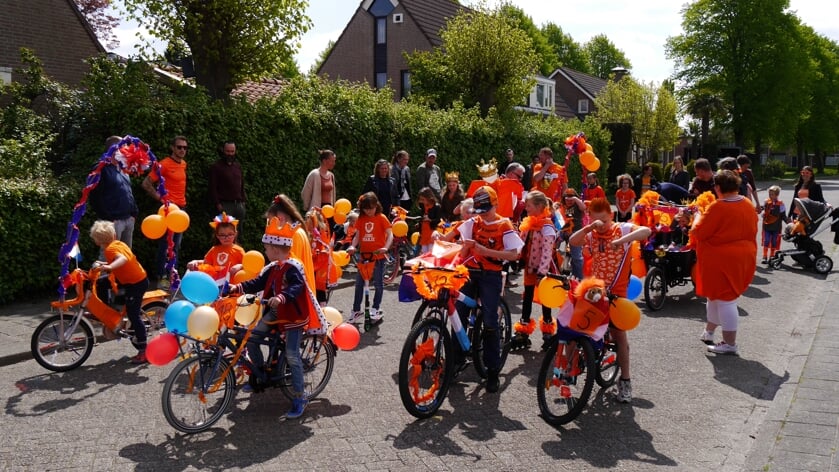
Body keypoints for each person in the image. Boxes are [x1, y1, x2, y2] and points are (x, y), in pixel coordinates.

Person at [569, 197, 652, 403]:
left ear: (611, 216)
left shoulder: (621, 229)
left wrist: (621, 242)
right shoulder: (591, 234)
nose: (601, 225)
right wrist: (589, 227)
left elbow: (646, 231)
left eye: (604, 220)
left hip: (617, 292)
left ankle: (625, 381)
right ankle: (568, 372)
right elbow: (572, 241)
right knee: (576, 327)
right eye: (597, 221)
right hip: (595, 290)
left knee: (619, 335)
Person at [230, 219, 310, 418]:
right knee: (253, 338)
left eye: (266, 248)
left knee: (292, 354)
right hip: (276, 312)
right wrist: (237, 287)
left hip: (292, 314)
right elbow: (258, 282)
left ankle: (300, 396)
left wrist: (282, 297)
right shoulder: (274, 267)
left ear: (275, 249)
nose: (265, 251)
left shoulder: (293, 267)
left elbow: (296, 287)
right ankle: (259, 374)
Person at [452, 186, 524, 393]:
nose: (482, 214)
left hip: (490, 275)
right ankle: (456, 361)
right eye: (479, 210)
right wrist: (441, 242)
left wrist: (486, 251)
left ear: (495, 205)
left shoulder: (504, 224)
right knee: (458, 315)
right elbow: (454, 238)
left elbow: (513, 255)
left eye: (486, 210)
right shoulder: (474, 222)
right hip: (469, 271)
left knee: (490, 320)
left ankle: (492, 370)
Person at [693, 170, 758, 355]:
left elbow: (700, 232)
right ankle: (709, 331)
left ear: (718, 187)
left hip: (721, 260)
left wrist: (697, 216)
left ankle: (730, 344)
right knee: (715, 296)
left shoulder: (718, 207)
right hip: (744, 256)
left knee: (725, 300)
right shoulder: (746, 203)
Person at [89, 220, 150, 364]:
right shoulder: (118, 243)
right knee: (103, 284)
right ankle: (113, 317)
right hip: (136, 279)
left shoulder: (110, 249)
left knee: (133, 315)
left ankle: (144, 350)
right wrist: (104, 264)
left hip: (136, 284)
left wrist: (109, 268)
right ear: (114, 234)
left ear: (97, 241)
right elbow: (121, 258)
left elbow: (121, 259)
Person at [266, 194, 327, 335]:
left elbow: (290, 265)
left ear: (280, 218)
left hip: (291, 296)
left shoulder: (294, 235)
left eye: (271, 221)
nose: (270, 225)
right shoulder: (297, 232)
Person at [512, 191, 557, 350]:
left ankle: (547, 333)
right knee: (527, 298)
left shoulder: (547, 226)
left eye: (529, 205)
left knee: (546, 301)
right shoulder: (529, 222)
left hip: (543, 271)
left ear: (539, 207)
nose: (526, 207)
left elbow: (547, 251)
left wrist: (542, 273)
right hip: (530, 268)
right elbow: (521, 242)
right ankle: (523, 331)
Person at [142, 135, 188, 288]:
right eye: (179, 147)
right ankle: (162, 277)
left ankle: (171, 276)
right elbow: (146, 183)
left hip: (180, 211)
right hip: (169, 210)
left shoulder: (183, 164)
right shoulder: (164, 164)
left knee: (176, 245)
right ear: (172, 148)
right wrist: (161, 199)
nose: (182, 150)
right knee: (165, 245)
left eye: (185, 147)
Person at [346, 192, 393, 325]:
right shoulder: (361, 219)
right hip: (364, 256)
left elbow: (390, 234)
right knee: (359, 284)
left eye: (371, 208)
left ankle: (375, 308)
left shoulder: (381, 218)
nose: (369, 211)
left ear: (376, 205)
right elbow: (357, 235)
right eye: (366, 209)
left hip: (378, 257)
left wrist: (386, 247)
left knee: (378, 284)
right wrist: (352, 246)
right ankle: (356, 310)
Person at [89, 136, 138, 248]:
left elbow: (127, 191)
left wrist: (134, 213)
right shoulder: (100, 169)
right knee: (108, 258)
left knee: (126, 257)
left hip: (128, 220)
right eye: (124, 148)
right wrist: (109, 218)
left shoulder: (122, 168)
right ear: (115, 149)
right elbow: (95, 197)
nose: (126, 151)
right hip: (112, 223)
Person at [186, 213, 245, 282]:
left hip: (232, 288)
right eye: (222, 235)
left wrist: (240, 266)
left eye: (230, 234)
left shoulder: (239, 250)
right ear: (217, 235)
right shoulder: (214, 249)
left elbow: (248, 266)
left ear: (235, 234)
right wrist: (195, 262)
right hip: (216, 286)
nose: (226, 238)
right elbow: (206, 263)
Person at [208, 141, 246, 225]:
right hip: (224, 205)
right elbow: (212, 187)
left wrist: (243, 201)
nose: (230, 154)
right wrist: (217, 204)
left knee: (239, 232)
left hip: (238, 205)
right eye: (227, 151)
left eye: (232, 151)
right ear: (223, 151)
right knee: (224, 231)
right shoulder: (216, 167)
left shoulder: (238, 166)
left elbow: (242, 184)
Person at [304, 209, 334, 305]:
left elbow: (325, 247)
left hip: (320, 264)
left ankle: (322, 310)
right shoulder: (307, 233)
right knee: (310, 288)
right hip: (310, 263)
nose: (307, 222)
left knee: (319, 288)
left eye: (310, 220)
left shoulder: (321, 233)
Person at [556, 188, 586, 279]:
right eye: (566, 198)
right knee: (557, 252)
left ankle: (579, 277)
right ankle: (560, 273)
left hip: (576, 232)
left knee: (576, 256)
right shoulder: (561, 206)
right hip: (563, 232)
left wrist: (576, 199)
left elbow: (584, 207)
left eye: (571, 199)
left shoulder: (577, 206)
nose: (569, 201)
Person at [760, 185, 789, 263]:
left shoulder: (780, 204)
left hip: (776, 226)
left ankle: (772, 255)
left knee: (774, 241)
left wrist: (788, 222)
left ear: (777, 195)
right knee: (766, 240)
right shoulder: (766, 202)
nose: (770, 196)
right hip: (767, 225)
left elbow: (783, 215)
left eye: (772, 194)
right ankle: (765, 256)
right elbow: (763, 211)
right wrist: (763, 212)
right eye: (770, 194)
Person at [416, 187, 442, 254]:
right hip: (424, 232)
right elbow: (422, 216)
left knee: (431, 251)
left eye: (423, 199)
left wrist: (430, 220)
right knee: (424, 252)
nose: (422, 201)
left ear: (429, 197)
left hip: (432, 232)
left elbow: (439, 220)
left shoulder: (436, 207)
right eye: (421, 199)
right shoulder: (422, 206)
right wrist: (419, 223)